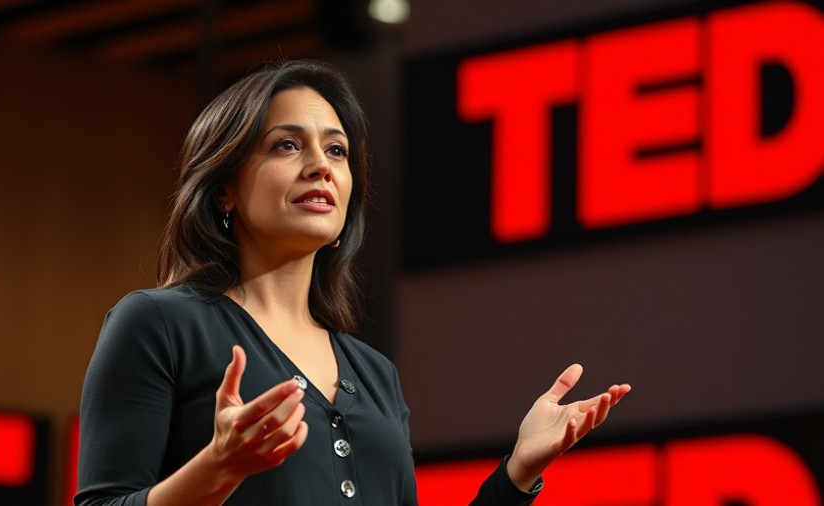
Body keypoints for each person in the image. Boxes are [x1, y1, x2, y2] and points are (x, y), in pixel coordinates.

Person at [74, 59, 631, 506]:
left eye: (336, 150)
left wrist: (516, 473)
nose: (321, 166)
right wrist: (216, 470)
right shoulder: (158, 324)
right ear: (225, 189)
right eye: (287, 145)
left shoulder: (374, 372)